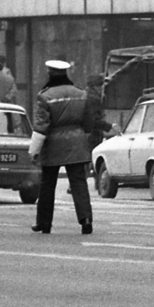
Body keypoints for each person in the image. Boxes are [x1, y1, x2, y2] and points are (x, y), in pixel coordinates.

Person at [27, 60, 97, 235]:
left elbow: (41, 127)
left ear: (50, 74)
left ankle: (44, 223)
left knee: (47, 185)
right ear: (66, 74)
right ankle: (86, 220)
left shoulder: (45, 96)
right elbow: (89, 123)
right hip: (77, 143)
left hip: (53, 146)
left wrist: (33, 151)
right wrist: (81, 136)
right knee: (79, 184)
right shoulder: (81, 94)